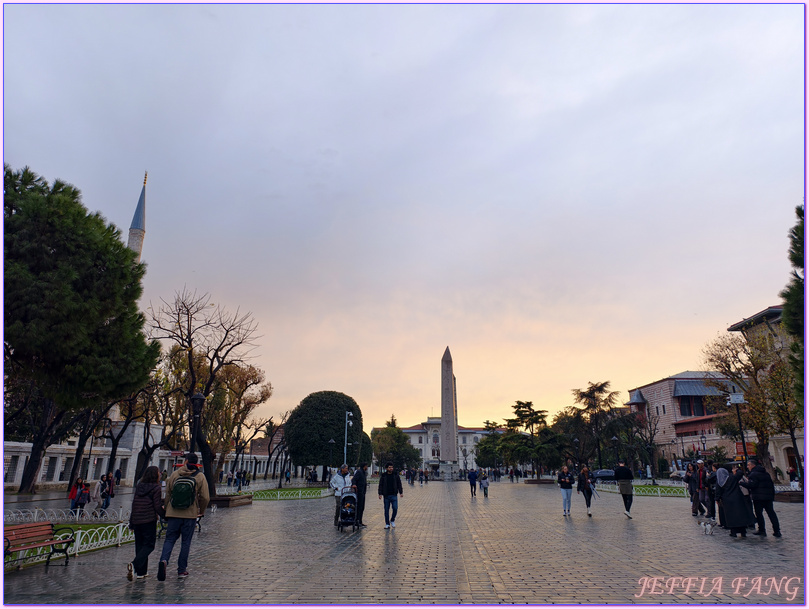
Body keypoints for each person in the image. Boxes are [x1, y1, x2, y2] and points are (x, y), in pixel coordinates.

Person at [157, 453, 210, 580]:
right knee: (185, 542)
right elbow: (205, 497)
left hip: (173, 513)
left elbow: (168, 494)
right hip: (190, 514)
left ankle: (164, 560)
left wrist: (167, 509)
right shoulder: (200, 476)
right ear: (197, 463)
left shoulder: (175, 474)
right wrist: (201, 511)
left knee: (169, 540)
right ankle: (181, 570)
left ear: (185, 461)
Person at [127, 466, 165, 580]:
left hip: (137, 519)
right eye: (159, 472)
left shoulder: (139, 486)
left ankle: (141, 572)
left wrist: (131, 522)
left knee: (140, 545)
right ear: (155, 475)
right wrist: (165, 516)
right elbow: (157, 505)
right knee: (149, 545)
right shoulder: (156, 488)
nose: (160, 474)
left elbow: (134, 504)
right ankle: (134, 564)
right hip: (148, 520)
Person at [739, 458, 781, 538]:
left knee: (759, 514)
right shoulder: (765, 473)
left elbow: (752, 485)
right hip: (768, 497)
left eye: (748, 465)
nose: (747, 467)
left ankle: (762, 530)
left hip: (758, 497)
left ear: (752, 465)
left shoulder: (753, 474)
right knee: (771, 513)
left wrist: (742, 483)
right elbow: (771, 485)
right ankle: (777, 530)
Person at [715, 464, 755, 538]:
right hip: (737, 498)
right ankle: (743, 531)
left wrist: (717, 499)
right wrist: (736, 470)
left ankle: (733, 532)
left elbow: (718, 491)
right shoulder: (732, 477)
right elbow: (740, 473)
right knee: (740, 515)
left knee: (731, 517)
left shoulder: (720, 482)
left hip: (727, 500)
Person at [378, 462, 403, 529]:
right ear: (386, 468)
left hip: (394, 494)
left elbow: (399, 484)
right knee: (386, 510)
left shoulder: (395, 475)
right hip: (386, 495)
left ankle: (392, 520)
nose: (391, 468)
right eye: (389, 467)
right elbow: (380, 485)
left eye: (392, 467)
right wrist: (380, 493)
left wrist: (401, 492)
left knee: (395, 508)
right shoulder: (383, 476)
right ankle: (387, 523)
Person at [351, 463, 369, 527]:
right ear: (364, 466)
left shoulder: (363, 472)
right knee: (359, 507)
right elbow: (354, 479)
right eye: (366, 466)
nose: (367, 467)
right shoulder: (359, 472)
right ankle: (357, 520)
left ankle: (360, 521)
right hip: (359, 492)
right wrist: (354, 485)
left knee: (362, 507)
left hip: (363, 492)